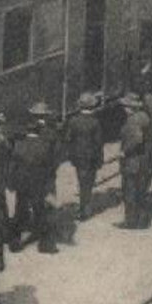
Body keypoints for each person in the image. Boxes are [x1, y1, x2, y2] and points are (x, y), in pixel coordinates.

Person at [7, 107, 58, 254]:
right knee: (40, 213)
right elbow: (49, 167)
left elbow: (13, 167)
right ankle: (45, 245)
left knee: (19, 212)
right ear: (37, 130)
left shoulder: (19, 146)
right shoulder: (44, 146)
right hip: (38, 185)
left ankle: (15, 244)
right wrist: (49, 185)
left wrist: (11, 184)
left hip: (22, 186)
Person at [65, 92, 105, 220]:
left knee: (82, 181)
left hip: (78, 157)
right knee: (89, 182)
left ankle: (83, 208)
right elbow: (99, 142)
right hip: (92, 157)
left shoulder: (73, 121)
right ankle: (85, 208)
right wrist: (100, 158)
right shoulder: (95, 122)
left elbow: (68, 138)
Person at [118, 93, 152, 229]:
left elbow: (137, 139)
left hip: (133, 161)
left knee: (130, 191)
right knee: (140, 190)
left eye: (125, 106)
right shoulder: (144, 116)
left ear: (130, 107)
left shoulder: (132, 120)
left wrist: (124, 151)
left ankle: (130, 221)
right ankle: (142, 220)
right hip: (144, 158)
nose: (124, 109)